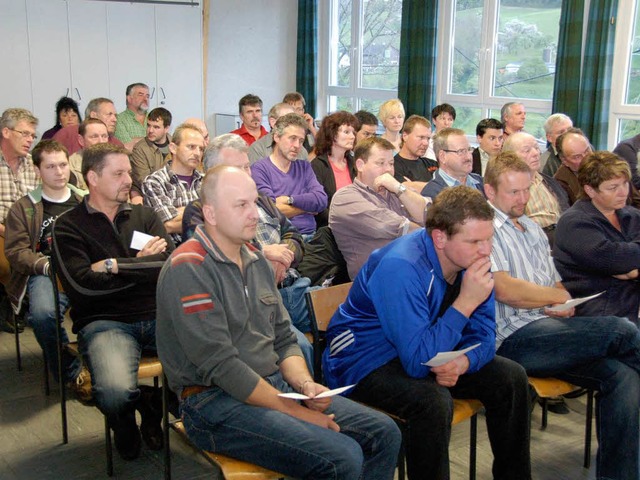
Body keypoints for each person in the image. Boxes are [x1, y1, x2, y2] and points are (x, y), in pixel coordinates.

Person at [156, 164, 401, 479]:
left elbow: (284, 339)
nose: (254, 214)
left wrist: (305, 385)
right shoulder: (188, 267)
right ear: (211, 214)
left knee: (384, 433)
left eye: (254, 202)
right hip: (213, 401)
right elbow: (221, 365)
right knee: (342, 457)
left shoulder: (256, 260)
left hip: (274, 386)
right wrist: (295, 411)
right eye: (241, 205)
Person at [324, 186, 531, 480]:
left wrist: (464, 363)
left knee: (511, 378)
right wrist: (466, 302)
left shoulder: (472, 261)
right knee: (431, 402)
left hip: (422, 346)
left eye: (489, 239)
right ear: (440, 238)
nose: (486, 250)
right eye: (474, 241)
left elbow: (485, 336)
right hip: (362, 362)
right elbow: (419, 362)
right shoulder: (401, 265)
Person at [485, 151, 640, 480]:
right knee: (621, 330)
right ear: (489, 191)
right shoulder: (485, 228)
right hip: (513, 340)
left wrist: (564, 298)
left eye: (527, 190)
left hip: (552, 329)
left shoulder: (531, 227)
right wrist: (558, 296)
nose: (523, 199)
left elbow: (553, 279)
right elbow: (505, 289)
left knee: (625, 376)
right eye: (514, 192)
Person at [53, 142, 175, 461]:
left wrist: (114, 265)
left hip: (158, 315)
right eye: (119, 173)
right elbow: (84, 287)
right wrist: (141, 265)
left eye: (129, 172)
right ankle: (124, 419)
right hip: (105, 322)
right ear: (92, 178)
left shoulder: (145, 215)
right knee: (115, 393)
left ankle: (151, 405)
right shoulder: (68, 226)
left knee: (207, 365)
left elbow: (167, 265)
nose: (128, 179)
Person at [4, 140, 89, 399]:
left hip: (85, 269)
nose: (59, 172)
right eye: (50, 166)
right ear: (38, 170)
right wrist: (45, 265)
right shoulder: (24, 207)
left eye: (63, 165)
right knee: (42, 315)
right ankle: (71, 372)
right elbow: (17, 252)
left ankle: (100, 363)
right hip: (46, 271)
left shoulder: (85, 201)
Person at [554, 151, 640, 324]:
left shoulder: (632, 214)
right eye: (613, 188)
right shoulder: (574, 222)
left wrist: (633, 272)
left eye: (624, 184)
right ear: (590, 190)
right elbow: (614, 259)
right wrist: (626, 263)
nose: (623, 192)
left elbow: (622, 259)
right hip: (599, 306)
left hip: (631, 299)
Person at [329, 137, 429, 279]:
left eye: (391, 163)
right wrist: (434, 235)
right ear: (360, 165)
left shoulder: (395, 191)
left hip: (413, 274)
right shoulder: (345, 197)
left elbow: (428, 216)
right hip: (376, 283)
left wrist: (399, 188)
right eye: (380, 163)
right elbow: (399, 228)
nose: (388, 169)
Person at [252, 113, 327, 237]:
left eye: (301, 141)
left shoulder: (304, 167)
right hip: (281, 238)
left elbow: (321, 200)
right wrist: (307, 207)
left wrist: (289, 200)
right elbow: (272, 211)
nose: (297, 146)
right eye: (292, 138)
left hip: (311, 236)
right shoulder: (259, 169)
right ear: (276, 136)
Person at [0, 108, 40, 331]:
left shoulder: (33, 165)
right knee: (7, 264)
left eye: (33, 136)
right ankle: (13, 302)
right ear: (6, 132)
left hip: (29, 229)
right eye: (24, 134)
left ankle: (27, 304)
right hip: (2, 229)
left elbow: (39, 202)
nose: (30, 140)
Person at [502, 132, 569, 248]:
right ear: (510, 157)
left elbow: (567, 213)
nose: (536, 153)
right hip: (533, 243)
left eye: (537, 148)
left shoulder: (551, 182)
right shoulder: (507, 189)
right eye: (527, 150)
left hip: (563, 237)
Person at [142, 123, 204, 245]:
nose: (197, 153)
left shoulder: (207, 181)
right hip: (175, 253)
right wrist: (207, 212)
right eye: (191, 147)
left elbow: (223, 217)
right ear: (173, 148)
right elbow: (168, 224)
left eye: (201, 149)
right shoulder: (155, 182)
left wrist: (182, 212)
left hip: (207, 251)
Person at [311, 111, 358, 228]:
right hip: (330, 227)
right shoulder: (317, 166)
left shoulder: (355, 163)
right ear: (332, 135)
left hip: (356, 223)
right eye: (346, 132)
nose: (352, 136)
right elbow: (319, 207)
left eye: (353, 132)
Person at [421, 128, 483, 199]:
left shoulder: (482, 183)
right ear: (443, 156)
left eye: (469, 150)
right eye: (461, 151)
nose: (468, 157)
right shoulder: (432, 193)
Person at [130, 107, 173, 204]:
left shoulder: (175, 144)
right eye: (148, 126)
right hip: (148, 194)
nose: (150, 130)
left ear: (166, 128)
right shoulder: (139, 149)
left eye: (156, 127)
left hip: (172, 192)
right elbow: (145, 181)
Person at [53, 97, 123, 155]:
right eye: (109, 114)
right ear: (93, 115)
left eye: (115, 115)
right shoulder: (66, 134)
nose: (115, 119)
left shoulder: (117, 144)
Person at [393, 115, 438, 192]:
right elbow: (404, 192)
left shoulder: (432, 164)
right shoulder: (393, 166)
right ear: (405, 136)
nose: (425, 143)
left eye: (428, 138)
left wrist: (413, 185)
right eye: (421, 137)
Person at [553, 128, 593, 205]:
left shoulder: (603, 165)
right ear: (564, 161)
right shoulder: (560, 185)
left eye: (587, 151)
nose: (586, 158)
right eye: (577, 157)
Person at [68, 118, 109, 190]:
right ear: (81, 140)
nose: (101, 141)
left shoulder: (115, 163)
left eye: (104, 136)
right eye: (94, 137)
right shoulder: (69, 166)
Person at [114, 82, 150, 150]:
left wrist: (135, 140)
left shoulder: (155, 117)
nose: (145, 99)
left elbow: (164, 141)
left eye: (147, 96)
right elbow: (127, 148)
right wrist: (153, 139)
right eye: (141, 95)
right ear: (129, 99)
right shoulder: (118, 120)